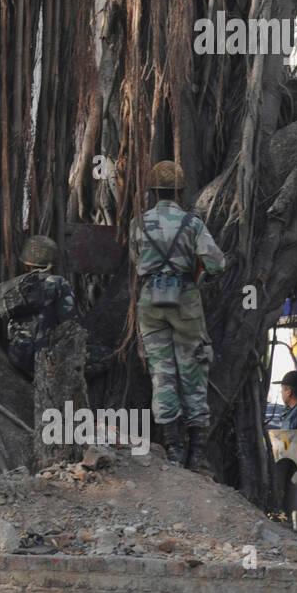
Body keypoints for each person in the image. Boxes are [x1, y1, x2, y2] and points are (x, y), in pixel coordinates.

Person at [130, 160, 227, 471]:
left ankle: (173, 450)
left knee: (161, 372)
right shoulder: (192, 224)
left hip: (150, 301)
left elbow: (136, 261)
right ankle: (196, 455)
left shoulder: (139, 224)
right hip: (185, 300)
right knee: (193, 369)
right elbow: (216, 263)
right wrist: (197, 278)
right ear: (179, 192)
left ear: (153, 192)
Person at [0, 234, 77, 374]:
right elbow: (68, 322)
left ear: (26, 263)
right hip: (45, 357)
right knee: (105, 355)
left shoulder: (13, 286)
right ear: (52, 261)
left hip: (17, 355)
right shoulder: (59, 283)